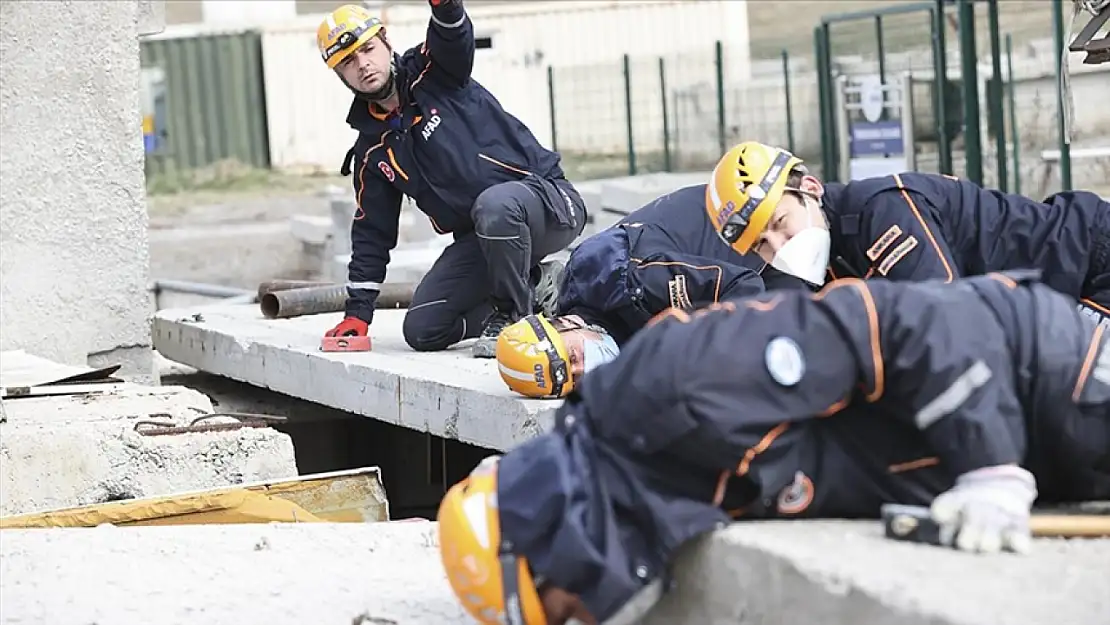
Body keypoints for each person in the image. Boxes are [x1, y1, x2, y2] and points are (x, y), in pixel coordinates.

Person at [436, 270, 1110, 625]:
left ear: (554, 535)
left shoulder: (667, 388)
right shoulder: (649, 491)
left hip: (1048, 378)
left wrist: (987, 463)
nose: (583, 615)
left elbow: (911, 321)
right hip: (1037, 451)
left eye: (560, 607)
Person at [316, 2, 587, 358]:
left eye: (367, 49)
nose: (363, 64)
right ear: (340, 75)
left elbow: (452, 34)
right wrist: (357, 315)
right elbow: (372, 232)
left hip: (548, 203)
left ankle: (512, 317)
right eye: (348, 61)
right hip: (484, 237)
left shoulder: (435, 72)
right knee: (423, 328)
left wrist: (445, 6)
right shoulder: (373, 150)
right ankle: (538, 287)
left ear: (385, 42)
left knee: (495, 206)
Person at [703, 140, 1110, 324]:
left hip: (1089, 263)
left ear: (809, 188)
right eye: (762, 246)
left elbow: (943, 317)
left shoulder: (881, 211)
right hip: (1051, 303)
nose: (780, 247)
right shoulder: (828, 263)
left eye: (779, 224)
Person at [557, 183, 808, 348]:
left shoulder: (632, 282)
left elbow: (742, 285)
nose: (582, 370)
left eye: (575, 357)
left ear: (568, 324)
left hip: (763, 242)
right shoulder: (596, 314)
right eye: (575, 379)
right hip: (741, 249)